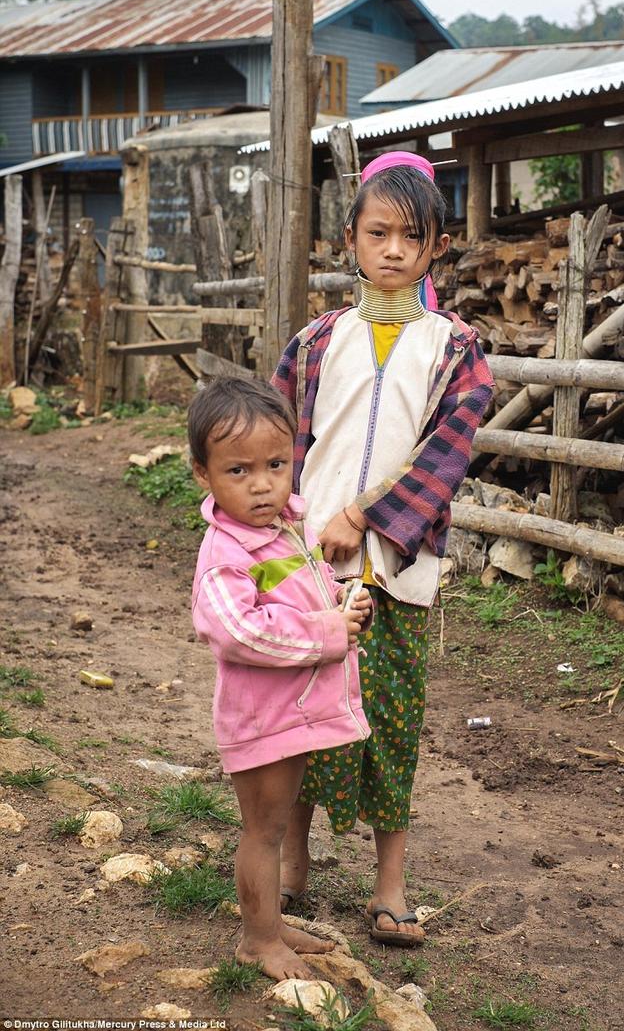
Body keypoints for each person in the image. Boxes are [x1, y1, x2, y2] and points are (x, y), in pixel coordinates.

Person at [272, 151, 494, 946]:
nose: (394, 250)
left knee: (390, 721)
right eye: (378, 233)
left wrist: (363, 518)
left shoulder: (457, 351)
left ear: (437, 246)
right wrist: (278, 540)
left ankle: (390, 885)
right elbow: (281, 451)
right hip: (305, 565)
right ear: (349, 240)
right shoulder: (313, 343)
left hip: (397, 569)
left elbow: (445, 457)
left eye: (412, 236)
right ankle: (293, 861)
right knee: (299, 713)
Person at [188, 375, 373, 980]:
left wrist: (341, 599)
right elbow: (239, 630)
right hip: (261, 716)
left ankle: (270, 922)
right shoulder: (226, 552)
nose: (263, 483)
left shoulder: (283, 529)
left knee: (275, 818)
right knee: (263, 830)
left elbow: (301, 593)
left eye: (275, 463)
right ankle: (257, 941)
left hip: (289, 712)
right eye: (238, 471)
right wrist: (329, 631)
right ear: (204, 475)